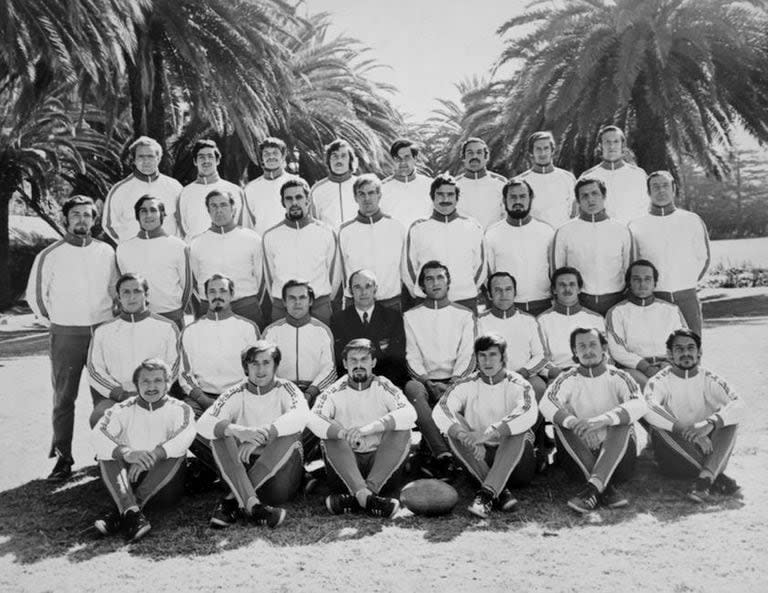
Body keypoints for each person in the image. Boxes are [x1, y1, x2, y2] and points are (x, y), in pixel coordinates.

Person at [26, 195, 118, 481]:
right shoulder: (50, 254)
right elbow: (36, 296)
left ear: (94, 220)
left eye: (87, 215)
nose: (81, 220)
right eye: (76, 214)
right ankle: (63, 457)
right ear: (66, 219)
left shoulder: (106, 252)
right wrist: (58, 321)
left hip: (101, 331)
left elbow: (116, 290)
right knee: (64, 397)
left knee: (104, 395)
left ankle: (105, 451)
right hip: (66, 331)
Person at [197, 342, 310, 529]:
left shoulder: (286, 388)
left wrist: (263, 435)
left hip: (279, 479)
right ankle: (254, 506)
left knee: (291, 432)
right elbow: (203, 424)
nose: (260, 369)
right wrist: (239, 431)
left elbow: (301, 415)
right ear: (245, 367)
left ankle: (232, 501)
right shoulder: (235, 392)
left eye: (266, 362)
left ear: (275, 365)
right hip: (244, 467)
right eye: (254, 363)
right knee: (220, 433)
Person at [540, 328, 646, 513]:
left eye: (592, 344)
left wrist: (602, 421)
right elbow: (547, 403)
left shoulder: (619, 376)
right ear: (574, 351)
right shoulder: (567, 377)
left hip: (618, 460)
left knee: (621, 420)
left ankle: (593, 489)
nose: (587, 350)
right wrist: (575, 424)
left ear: (603, 347)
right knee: (561, 422)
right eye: (581, 346)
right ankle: (603, 488)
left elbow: (639, 403)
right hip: (578, 459)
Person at [433, 334, 538, 518]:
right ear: (476, 358)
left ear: (503, 357)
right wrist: (466, 436)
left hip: (517, 462)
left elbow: (528, 412)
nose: (487, 361)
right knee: (453, 426)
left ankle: (487, 492)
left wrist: (487, 433)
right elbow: (440, 410)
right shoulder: (466, 383)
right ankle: (497, 492)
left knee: (518, 428)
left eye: (493, 355)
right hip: (478, 457)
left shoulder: (519, 383)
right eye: (482, 355)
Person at [309, 338, 417, 519]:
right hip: (347, 467)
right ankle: (368, 498)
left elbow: (409, 413)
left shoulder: (384, 385)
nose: (358, 365)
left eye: (364, 360)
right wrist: (343, 432)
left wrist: (367, 429)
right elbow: (313, 419)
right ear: (345, 363)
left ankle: (358, 497)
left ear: (373, 362)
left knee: (402, 428)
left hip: (381, 465)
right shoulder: (333, 390)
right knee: (330, 432)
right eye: (353, 360)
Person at [91, 359, 195, 541]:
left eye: (158, 381)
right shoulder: (121, 409)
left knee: (175, 452)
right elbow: (98, 434)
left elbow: (185, 437)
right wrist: (127, 453)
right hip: (129, 477)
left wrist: (154, 455)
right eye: (145, 381)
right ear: (136, 385)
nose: (151, 386)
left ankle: (124, 510)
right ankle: (132, 514)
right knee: (107, 453)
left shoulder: (180, 409)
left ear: (168, 384)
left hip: (165, 484)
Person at [644, 329, 742, 502]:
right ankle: (715, 475)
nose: (686, 353)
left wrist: (709, 424)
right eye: (679, 349)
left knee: (730, 420)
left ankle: (705, 480)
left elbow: (738, 404)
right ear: (669, 354)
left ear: (699, 352)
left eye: (691, 348)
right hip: (674, 454)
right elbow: (649, 407)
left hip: (707, 446)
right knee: (658, 427)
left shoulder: (709, 378)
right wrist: (689, 434)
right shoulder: (659, 381)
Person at [179, 274, 261, 469]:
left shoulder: (247, 327)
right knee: (184, 419)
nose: (217, 295)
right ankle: (230, 468)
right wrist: (203, 399)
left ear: (232, 294)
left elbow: (257, 369)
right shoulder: (191, 331)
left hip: (239, 395)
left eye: (223, 290)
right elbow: (184, 374)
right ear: (205, 295)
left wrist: (234, 399)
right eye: (212, 291)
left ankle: (225, 468)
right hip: (203, 397)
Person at [403, 261, 475, 477]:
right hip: (426, 382)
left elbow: (468, 353)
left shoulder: (464, 314)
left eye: (440, 277)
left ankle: (435, 453)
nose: (435, 283)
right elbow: (411, 355)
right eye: (429, 278)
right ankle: (444, 455)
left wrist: (454, 382)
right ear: (422, 286)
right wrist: (428, 382)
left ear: (448, 282)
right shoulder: (411, 316)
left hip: (457, 380)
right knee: (412, 388)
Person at [88, 273, 180, 427]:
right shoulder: (103, 331)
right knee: (99, 417)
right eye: (126, 292)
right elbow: (95, 370)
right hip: (117, 397)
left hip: (156, 394)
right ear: (118, 297)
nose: (132, 297)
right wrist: (120, 393)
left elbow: (175, 365)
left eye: (137, 291)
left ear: (147, 294)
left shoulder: (167, 327)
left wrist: (153, 391)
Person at [628, 170, 710, 335]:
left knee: (691, 347)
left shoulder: (691, 220)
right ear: (648, 192)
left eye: (665, 185)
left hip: (687, 296)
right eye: (655, 187)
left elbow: (704, 257)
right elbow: (633, 262)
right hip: (654, 298)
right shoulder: (636, 224)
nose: (661, 190)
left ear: (674, 189)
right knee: (658, 348)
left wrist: (687, 283)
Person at [262, 178, 340, 325]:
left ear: (307, 200)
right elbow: (270, 276)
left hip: (318, 306)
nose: (294, 203)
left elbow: (334, 275)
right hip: (283, 307)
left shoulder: (326, 232)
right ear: (283, 202)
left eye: (299, 197)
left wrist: (321, 299)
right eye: (289, 199)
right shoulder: (270, 236)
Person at [405, 173, 486, 310]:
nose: (445, 199)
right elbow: (408, 267)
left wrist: (465, 288)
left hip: (464, 300)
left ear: (457, 198)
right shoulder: (418, 227)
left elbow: (481, 266)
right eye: (440, 194)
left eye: (450, 195)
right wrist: (424, 291)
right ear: (432, 197)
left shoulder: (473, 227)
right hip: (428, 301)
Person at [552, 177, 631, 316]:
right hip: (579, 302)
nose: (590, 199)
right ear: (578, 200)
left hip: (616, 301)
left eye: (595, 193)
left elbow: (629, 268)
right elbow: (557, 270)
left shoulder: (621, 230)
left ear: (604, 196)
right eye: (584, 196)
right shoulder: (565, 231)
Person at [605, 260, 687, 389]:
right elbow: (617, 350)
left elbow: (683, 342)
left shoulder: (671, 310)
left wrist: (668, 364)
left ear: (655, 283)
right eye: (636, 279)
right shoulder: (617, 312)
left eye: (647, 279)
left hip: (668, 366)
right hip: (635, 370)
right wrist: (646, 367)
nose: (642, 284)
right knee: (646, 387)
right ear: (629, 283)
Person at [189, 189, 264, 327]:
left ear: (233, 208)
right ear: (208, 210)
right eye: (214, 206)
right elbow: (193, 281)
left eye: (223, 205)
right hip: (210, 309)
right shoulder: (196, 243)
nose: (219, 210)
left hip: (245, 308)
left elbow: (261, 279)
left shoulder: (252, 239)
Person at [116, 195, 191, 329]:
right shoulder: (123, 249)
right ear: (137, 216)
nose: (148, 215)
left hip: (171, 316)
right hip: (137, 318)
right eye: (143, 211)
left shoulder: (178, 246)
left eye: (153, 210)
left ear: (162, 214)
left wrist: (178, 311)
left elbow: (187, 286)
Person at [485, 177, 554, 317]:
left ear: (530, 199)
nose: (518, 201)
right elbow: (489, 275)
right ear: (504, 201)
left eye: (522, 196)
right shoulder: (492, 233)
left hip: (543, 307)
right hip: (508, 309)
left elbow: (555, 269)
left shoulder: (547, 231)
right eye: (513, 197)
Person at [262, 280, 336, 406]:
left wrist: (310, 393)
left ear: (310, 301)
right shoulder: (271, 331)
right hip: (280, 396)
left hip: (315, 395)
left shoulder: (322, 330)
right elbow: (265, 367)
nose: (297, 302)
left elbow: (329, 370)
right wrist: (286, 392)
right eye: (292, 298)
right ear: (284, 302)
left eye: (302, 297)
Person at [338, 174, 406, 310]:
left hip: (390, 303)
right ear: (355, 197)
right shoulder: (345, 231)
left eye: (371, 193)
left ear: (379, 195)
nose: (367, 198)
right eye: (361, 194)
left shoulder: (396, 227)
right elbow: (341, 273)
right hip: (357, 305)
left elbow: (404, 269)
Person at [330, 270, 407, 388]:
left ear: (375, 289)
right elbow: (341, 362)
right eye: (357, 287)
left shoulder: (392, 317)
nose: (363, 292)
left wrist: (380, 385)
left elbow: (397, 360)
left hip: (386, 384)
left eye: (368, 286)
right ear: (350, 291)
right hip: (353, 385)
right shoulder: (339, 320)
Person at [477, 273, 548, 398]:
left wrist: (523, 373)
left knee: (539, 388)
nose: (503, 294)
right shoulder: (479, 322)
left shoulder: (528, 320)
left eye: (508, 289)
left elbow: (540, 355)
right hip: (490, 377)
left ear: (515, 293)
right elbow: (474, 356)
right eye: (498, 290)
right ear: (489, 294)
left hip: (525, 376)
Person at [103, 136, 181, 243]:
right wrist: (129, 245)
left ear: (158, 159)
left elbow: (183, 221)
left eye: (150, 156)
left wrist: (176, 245)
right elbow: (109, 224)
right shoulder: (120, 189)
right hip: (135, 253)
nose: (146, 161)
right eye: (141, 157)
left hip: (168, 251)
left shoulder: (174, 186)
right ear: (134, 160)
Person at [537, 267, 606, 378]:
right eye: (562, 285)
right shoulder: (542, 320)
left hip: (592, 374)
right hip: (558, 376)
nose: (567, 289)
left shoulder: (596, 319)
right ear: (554, 290)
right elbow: (540, 358)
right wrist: (560, 375)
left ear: (579, 289)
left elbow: (605, 354)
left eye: (572, 284)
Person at [178, 139, 247, 242]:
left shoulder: (234, 190)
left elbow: (242, 226)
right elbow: (183, 229)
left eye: (210, 157)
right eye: (201, 157)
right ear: (195, 161)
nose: (206, 161)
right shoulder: (185, 193)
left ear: (217, 161)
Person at [579, 125, 648, 224]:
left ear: (622, 145)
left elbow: (647, 208)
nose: (612, 146)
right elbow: (581, 212)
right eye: (607, 142)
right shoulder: (588, 177)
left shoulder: (639, 175)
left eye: (616, 141)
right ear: (600, 145)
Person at [517, 131, 576, 228]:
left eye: (546, 148)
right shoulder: (521, 181)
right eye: (538, 149)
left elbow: (574, 212)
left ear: (552, 150)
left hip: (561, 235)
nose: (542, 153)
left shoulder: (568, 178)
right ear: (531, 152)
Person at [243, 137, 298, 236]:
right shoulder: (250, 188)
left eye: (275, 153)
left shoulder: (298, 183)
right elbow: (247, 224)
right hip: (262, 245)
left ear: (283, 156)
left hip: (292, 242)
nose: (271, 156)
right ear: (262, 158)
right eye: (266, 154)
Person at [380, 138, 433, 229]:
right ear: (392, 160)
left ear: (415, 159)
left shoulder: (431, 185)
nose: (402, 162)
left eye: (407, 157)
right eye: (398, 159)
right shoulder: (381, 188)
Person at [454, 137, 506, 229]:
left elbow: (507, 215)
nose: (475, 156)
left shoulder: (500, 182)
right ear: (463, 157)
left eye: (479, 152)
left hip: (492, 240)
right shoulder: (454, 185)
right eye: (470, 153)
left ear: (486, 157)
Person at [310, 139, 358, 228]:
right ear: (329, 160)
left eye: (343, 156)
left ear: (350, 160)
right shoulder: (317, 189)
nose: (339, 160)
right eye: (334, 156)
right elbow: (313, 222)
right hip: (329, 240)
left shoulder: (361, 185)